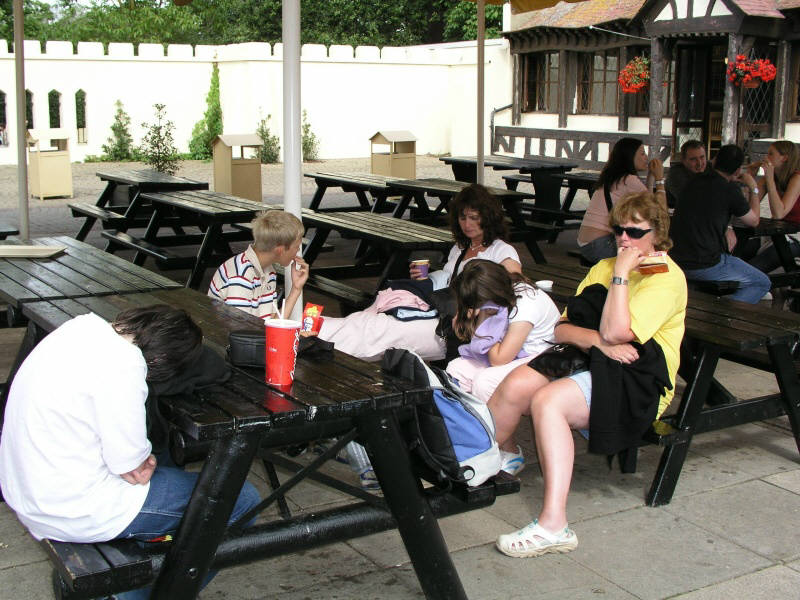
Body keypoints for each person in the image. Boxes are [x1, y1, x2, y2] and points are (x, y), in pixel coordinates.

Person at [0, 306, 261, 599]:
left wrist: (138, 457)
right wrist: (138, 459)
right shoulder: (125, 365)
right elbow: (131, 465)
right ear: (160, 361)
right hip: (69, 508)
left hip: (27, 491)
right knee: (240, 499)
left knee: (168, 465)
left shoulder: (79, 328)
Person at [489, 192, 687, 558]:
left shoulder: (665, 278)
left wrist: (621, 276)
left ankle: (554, 526)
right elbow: (562, 329)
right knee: (516, 384)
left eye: (635, 232)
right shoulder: (603, 267)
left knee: (548, 402)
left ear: (657, 234)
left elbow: (617, 332)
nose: (624, 239)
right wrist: (599, 342)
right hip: (594, 359)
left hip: (639, 378)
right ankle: (479, 464)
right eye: (618, 230)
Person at [319, 183, 522, 361]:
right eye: (462, 217)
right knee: (369, 319)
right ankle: (316, 331)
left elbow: (516, 284)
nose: (467, 224)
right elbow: (448, 282)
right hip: (437, 310)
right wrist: (425, 280)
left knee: (381, 330)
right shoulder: (460, 247)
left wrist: (478, 308)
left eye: (474, 218)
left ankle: (318, 337)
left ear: (488, 218)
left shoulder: (501, 250)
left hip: (455, 326)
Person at [445, 260, 560, 417]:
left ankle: (493, 429)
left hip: (541, 357)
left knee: (485, 382)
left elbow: (499, 359)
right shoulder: (499, 295)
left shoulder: (526, 304)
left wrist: (484, 319)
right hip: (514, 352)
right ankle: (466, 423)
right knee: (455, 369)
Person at [670, 144, 771, 303]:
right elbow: (753, 221)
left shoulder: (692, 182)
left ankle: (718, 309)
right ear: (738, 170)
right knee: (762, 283)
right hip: (705, 262)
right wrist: (754, 188)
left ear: (714, 160)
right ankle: (723, 312)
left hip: (675, 258)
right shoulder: (729, 189)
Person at [577, 137, 665, 264]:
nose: (646, 158)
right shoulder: (629, 180)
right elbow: (659, 210)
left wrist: (651, 176)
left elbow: (646, 204)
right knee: (646, 245)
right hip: (602, 244)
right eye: (642, 154)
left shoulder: (613, 177)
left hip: (587, 244)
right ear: (630, 157)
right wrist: (660, 179)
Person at [208, 210, 309, 320]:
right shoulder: (240, 277)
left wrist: (296, 289)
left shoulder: (268, 270)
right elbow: (239, 327)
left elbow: (273, 322)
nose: (298, 250)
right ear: (280, 250)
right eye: (296, 247)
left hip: (253, 330)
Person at [749, 140, 800, 273]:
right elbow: (748, 206)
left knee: (753, 269)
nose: (766, 158)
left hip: (795, 238)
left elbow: (778, 214)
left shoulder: (796, 178)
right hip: (776, 235)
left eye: (771, 154)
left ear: (784, 158)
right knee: (737, 256)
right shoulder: (769, 178)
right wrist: (751, 178)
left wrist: (770, 180)